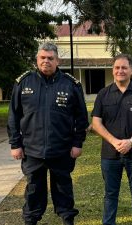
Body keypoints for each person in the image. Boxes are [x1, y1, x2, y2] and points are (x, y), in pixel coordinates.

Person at [7, 42, 89, 225]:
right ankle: (31, 221)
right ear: (37, 59)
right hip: (32, 150)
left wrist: (78, 143)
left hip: (62, 149)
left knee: (63, 189)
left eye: (50, 58)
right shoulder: (24, 83)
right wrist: (15, 144)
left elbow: (81, 118)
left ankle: (68, 220)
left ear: (57, 60)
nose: (46, 61)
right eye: (42, 58)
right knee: (34, 190)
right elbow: (13, 116)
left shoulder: (70, 85)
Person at [91, 54, 132, 225]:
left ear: (131, 70)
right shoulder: (104, 94)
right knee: (110, 194)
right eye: (117, 67)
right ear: (113, 70)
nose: (120, 71)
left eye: (124, 67)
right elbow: (96, 123)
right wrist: (114, 141)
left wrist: (131, 141)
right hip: (110, 154)